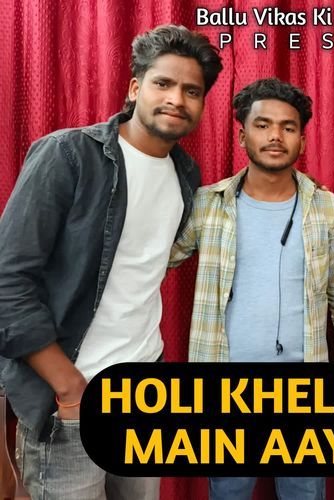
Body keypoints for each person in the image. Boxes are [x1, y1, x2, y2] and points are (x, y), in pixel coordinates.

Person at [0, 24, 222, 500]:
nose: (176, 99)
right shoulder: (69, 155)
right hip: (72, 401)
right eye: (163, 83)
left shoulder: (185, 173)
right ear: (135, 87)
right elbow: (8, 281)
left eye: (191, 91)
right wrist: (68, 387)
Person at [169, 78, 334, 500]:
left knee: (305, 493)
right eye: (263, 125)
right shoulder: (208, 204)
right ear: (242, 136)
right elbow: (155, 262)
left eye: (288, 127)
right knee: (229, 493)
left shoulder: (328, 209)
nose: (275, 136)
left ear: (302, 141)